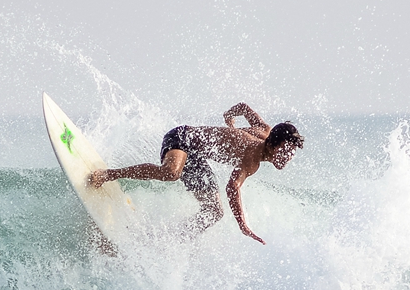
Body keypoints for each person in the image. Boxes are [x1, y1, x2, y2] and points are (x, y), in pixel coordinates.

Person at [88, 102, 304, 244]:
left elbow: (244, 107)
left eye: (292, 152)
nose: (289, 157)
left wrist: (230, 115)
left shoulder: (264, 129)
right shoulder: (252, 158)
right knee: (171, 173)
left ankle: (166, 241)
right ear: (274, 146)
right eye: (286, 151)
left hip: (196, 157)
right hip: (181, 138)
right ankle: (109, 174)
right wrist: (243, 225)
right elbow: (232, 187)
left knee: (214, 212)